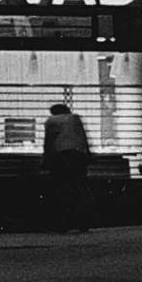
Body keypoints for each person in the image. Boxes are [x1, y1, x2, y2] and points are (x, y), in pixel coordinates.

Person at [42, 99, 92, 231]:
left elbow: (49, 142)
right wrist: (89, 154)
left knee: (62, 188)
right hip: (79, 155)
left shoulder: (51, 121)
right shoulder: (75, 119)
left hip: (61, 156)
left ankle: (62, 223)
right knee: (80, 187)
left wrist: (46, 159)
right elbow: (83, 138)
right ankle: (83, 222)